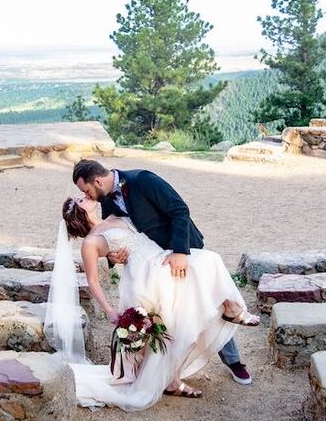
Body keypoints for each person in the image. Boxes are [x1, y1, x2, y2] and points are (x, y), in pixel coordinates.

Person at [44, 177, 259, 412]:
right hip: (146, 275)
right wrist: (109, 310)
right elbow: (93, 280)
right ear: (79, 214)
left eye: (84, 192)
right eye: (80, 199)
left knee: (185, 314)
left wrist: (115, 255)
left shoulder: (111, 212)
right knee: (206, 266)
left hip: (159, 260)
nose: (85, 196)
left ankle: (175, 376)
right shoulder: (90, 242)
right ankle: (231, 313)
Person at [74, 158, 254, 385]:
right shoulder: (107, 200)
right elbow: (116, 235)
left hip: (181, 251)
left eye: (86, 190)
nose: (87, 195)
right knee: (176, 313)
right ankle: (169, 373)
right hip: (153, 265)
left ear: (98, 181)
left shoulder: (142, 179)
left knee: (210, 299)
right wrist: (112, 257)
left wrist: (180, 251)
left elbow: (179, 210)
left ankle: (233, 361)